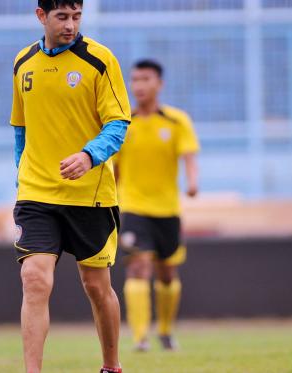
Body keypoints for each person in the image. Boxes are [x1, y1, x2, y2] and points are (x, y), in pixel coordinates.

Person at [10, 1, 131, 372]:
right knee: (33, 278)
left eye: (76, 16)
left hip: (89, 196)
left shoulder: (100, 60)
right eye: (62, 16)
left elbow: (119, 123)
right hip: (37, 194)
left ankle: (111, 366)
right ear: (41, 15)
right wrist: (22, 175)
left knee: (96, 286)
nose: (71, 25)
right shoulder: (22, 63)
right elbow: (21, 128)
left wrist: (89, 155)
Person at [116, 59, 200, 352]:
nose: (139, 85)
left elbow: (189, 156)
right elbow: (114, 168)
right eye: (135, 80)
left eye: (145, 79)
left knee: (167, 274)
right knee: (138, 267)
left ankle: (165, 331)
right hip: (133, 207)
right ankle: (140, 337)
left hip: (168, 210)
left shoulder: (176, 120)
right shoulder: (123, 122)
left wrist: (192, 182)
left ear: (159, 84)